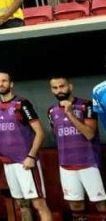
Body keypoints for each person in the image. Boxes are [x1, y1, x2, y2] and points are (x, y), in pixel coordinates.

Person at [0, 72, 52, 221]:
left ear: (11, 84)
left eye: (4, 81)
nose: (1, 84)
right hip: (8, 163)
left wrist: (31, 156)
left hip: (25, 163)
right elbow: (3, 129)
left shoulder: (22, 104)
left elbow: (40, 132)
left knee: (39, 204)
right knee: (22, 205)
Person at [47, 76, 105, 220]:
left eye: (62, 86)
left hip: (89, 163)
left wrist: (70, 114)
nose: (59, 90)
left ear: (70, 87)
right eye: (55, 88)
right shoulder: (51, 111)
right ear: (51, 90)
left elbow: (90, 134)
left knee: (101, 203)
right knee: (75, 205)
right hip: (66, 164)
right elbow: (57, 135)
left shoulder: (86, 105)